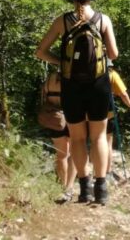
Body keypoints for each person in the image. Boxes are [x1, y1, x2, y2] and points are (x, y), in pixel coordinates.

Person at [35, 0, 118, 205]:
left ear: (73, 0)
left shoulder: (62, 21)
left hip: (71, 87)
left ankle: (84, 189)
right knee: (99, 136)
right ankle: (101, 189)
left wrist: (62, 63)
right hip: (99, 85)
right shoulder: (103, 19)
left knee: (78, 138)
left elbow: (40, 52)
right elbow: (114, 53)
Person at [41, 71, 77, 203]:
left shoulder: (49, 78)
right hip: (72, 116)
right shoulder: (74, 77)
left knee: (61, 155)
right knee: (74, 153)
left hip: (54, 117)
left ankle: (62, 186)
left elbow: (44, 95)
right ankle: (69, 187)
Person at [106, 61, 130, 181]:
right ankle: (107, 172)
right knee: (107, 142)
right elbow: (123, 93)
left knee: (95, 141)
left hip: (88, 112)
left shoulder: (89, 72)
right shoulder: (112, 74)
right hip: (106, 111)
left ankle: (97, 171)